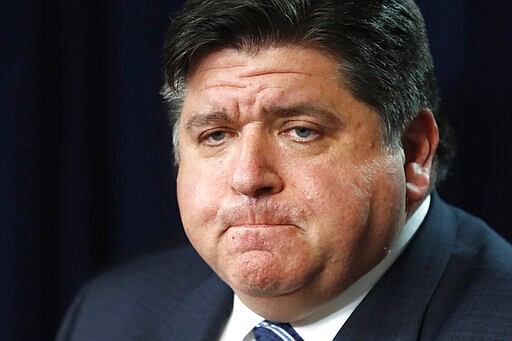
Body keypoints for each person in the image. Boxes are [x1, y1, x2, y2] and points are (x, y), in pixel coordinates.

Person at [56, 0, 512, 340]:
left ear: (412, 153)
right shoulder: (109, 315)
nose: (249, 177)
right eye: (216, 135)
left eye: (301, 131)